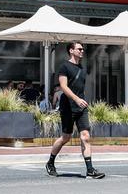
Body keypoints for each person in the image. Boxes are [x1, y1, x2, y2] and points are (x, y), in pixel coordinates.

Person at [45, 42, 105, 179]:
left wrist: (81, 101)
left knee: (86, 137)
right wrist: (76, 99)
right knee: (66, 137)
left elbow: (80, 88)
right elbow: (63, 87)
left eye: (83, 49)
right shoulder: (64, 67)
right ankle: (50, 162)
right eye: (79, 49)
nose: (82, 51)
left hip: (81, 107)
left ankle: (90, 170)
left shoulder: (82, 68)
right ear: (71, 51)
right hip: (68, 107)